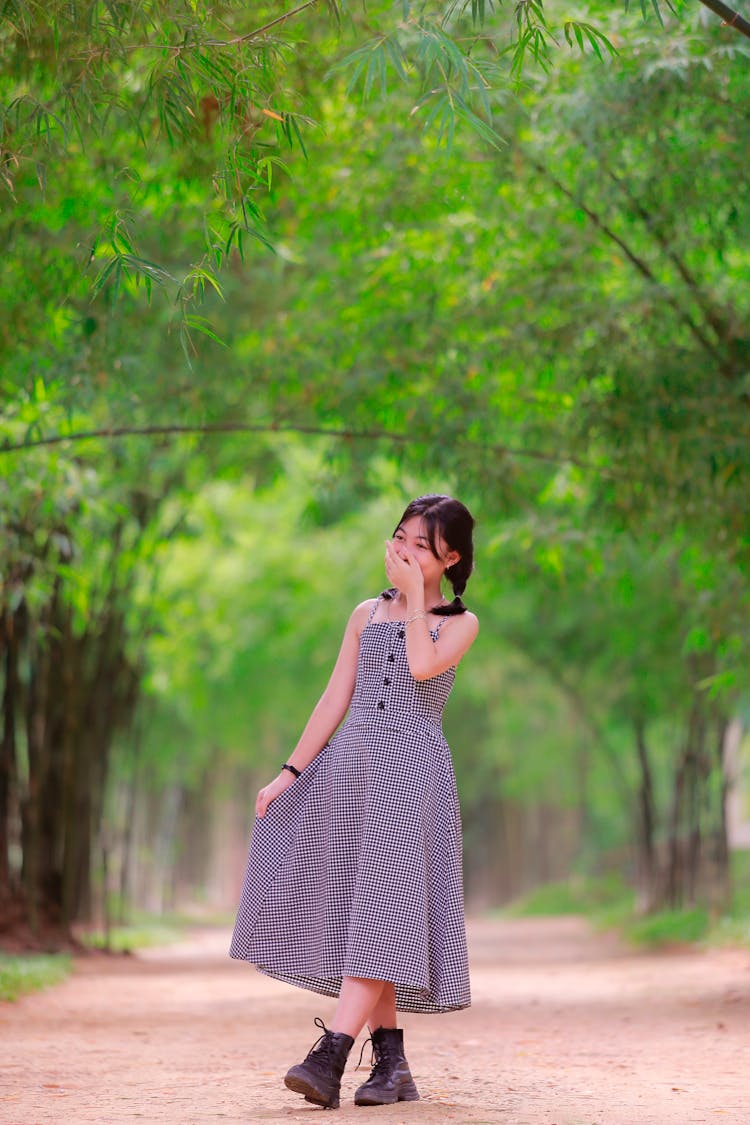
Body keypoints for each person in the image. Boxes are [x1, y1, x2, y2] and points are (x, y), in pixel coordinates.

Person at [229, 494, 479, 1110]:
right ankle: (392, 1068)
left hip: (411, 778)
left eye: (422, 545)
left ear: (450, 557)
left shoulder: (460, 624)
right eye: (401, 537)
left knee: (382, 913)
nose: (404, 550)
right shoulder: (364, 613)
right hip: (349, 771)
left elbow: (421, 667)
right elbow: (334, 696)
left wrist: (416, 600)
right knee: (366, 917)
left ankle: (331, 1054)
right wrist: (290, 770)